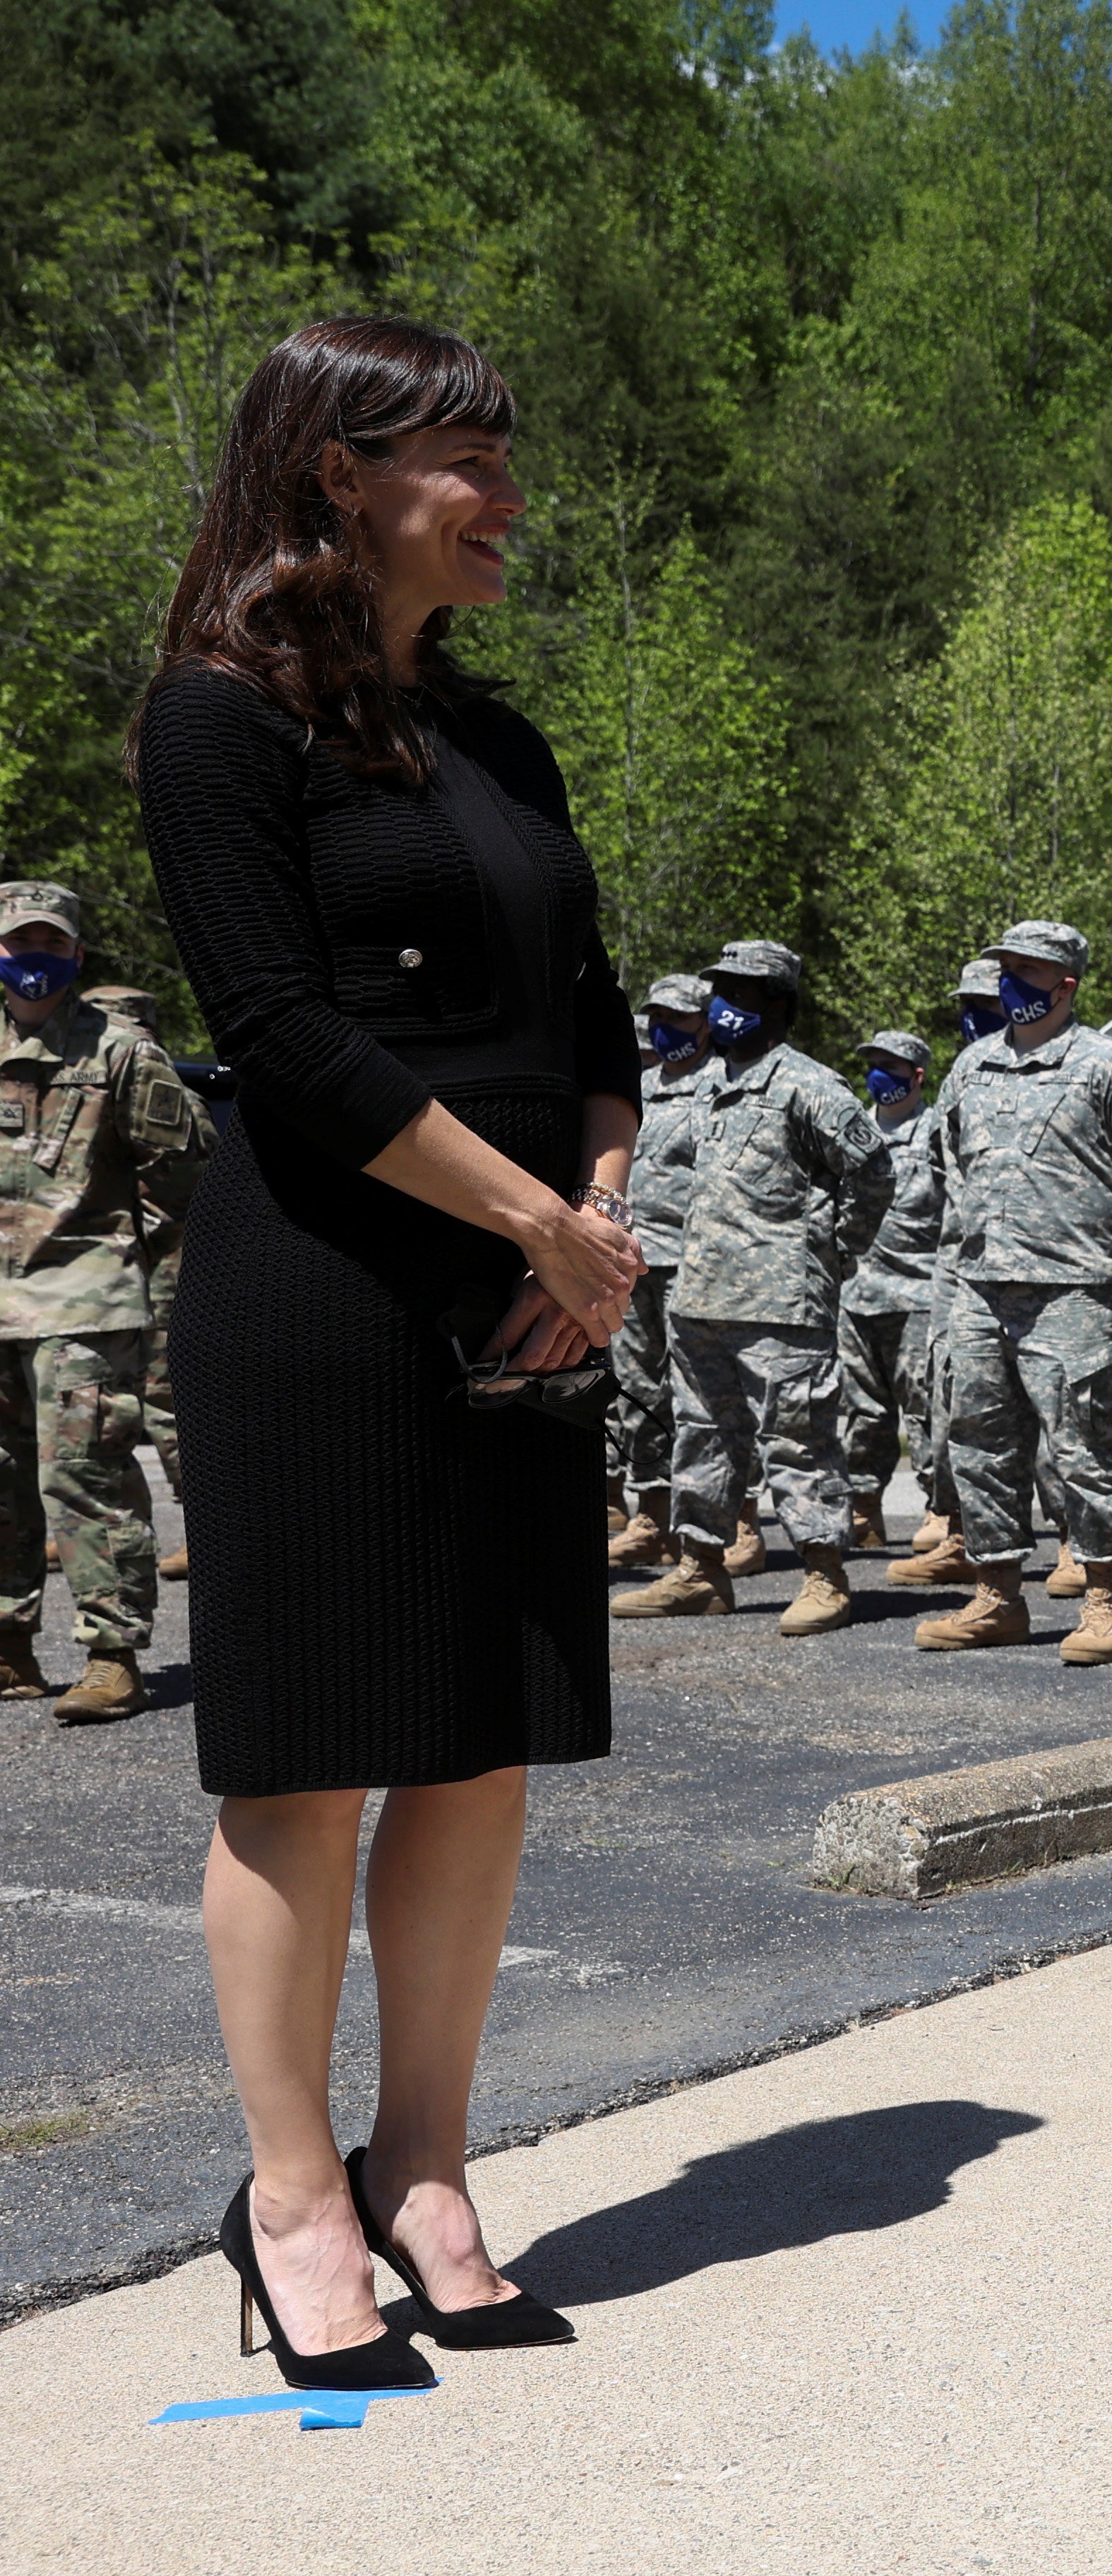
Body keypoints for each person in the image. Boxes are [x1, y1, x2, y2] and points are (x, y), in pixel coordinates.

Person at [134, 314, 644, 2387]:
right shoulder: (216, 720)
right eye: (472, 458)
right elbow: (283, 1035)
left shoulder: (503, 743)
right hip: (327, 1285)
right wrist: (539, 1219)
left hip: (534, 1290)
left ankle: (428, 2161)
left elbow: (595, 1013)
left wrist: (597, 1215)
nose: (510, 494)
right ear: (341, 473)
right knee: (313, 1758)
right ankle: (291, 2199)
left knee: (480, 1743)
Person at [914, 919, 1112, 1662]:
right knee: (978, 1443)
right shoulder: (970, 1068)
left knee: (1085, 1449)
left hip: (1075, 1290)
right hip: (980, 1288)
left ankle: (1104, 1601)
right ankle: (997, 1596)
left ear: (1066, 985)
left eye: (1029, 973)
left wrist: (1102, 1238)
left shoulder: (1111, 1069)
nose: (1011, 985)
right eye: (1006, 969)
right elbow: (950, 1164)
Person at [611, 939, 891, 1634]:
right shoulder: (704, 1085)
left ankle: (825, 1577)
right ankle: (700, 1571)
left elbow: (871, 1168)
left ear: (778, 1005)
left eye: (743, 994)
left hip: (783, 1304)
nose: (726, 1007)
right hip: (701, 1297)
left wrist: (835, 1245)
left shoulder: (807, 1084)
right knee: (702, 1438)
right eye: (721, 993)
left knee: (798, 1441)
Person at [0, 893, 210, 1721]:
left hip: (85, 1301)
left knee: (84, 1479)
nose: (33, 954)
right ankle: (10, 1648)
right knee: (3, 1480)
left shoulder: (120, 1052)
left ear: (77, 954)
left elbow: (185, 1167)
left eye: (50, 941)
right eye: (18, 941)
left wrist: (126, 1249)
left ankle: (111, 1653)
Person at [84, 984, 208, 1592]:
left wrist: (133, 1235)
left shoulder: (169, 1094)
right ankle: (77, 1530)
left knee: (166, 1402)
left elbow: (181, 1187)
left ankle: (208, 1528)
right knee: (91, 1407)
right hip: (106, 1276)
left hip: (165, 1272)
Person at [892, 955, 1010, 1580]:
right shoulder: (961, 1076)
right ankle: (964, 1534)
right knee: (958, 1408)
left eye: (985, 1008)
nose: (972, 1020)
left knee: (1060, 1421)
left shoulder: (1080, 1067)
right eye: (965, 1008)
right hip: (959, 1269)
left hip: (1040, 1270)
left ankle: (1075, 1543)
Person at [604, 971, 712, 1570]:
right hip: (637, 1264)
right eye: (659, 1016)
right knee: (639, 1393)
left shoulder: (718, 1088)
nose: (668, 1028)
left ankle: (723, 1526)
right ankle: (651, 1515)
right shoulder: (639, 1088)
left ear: (706, 1023)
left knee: (700, 1398)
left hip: (697, 1263)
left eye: (681, 1017)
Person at [837, 1028, 942, 1550]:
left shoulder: (937, 1131)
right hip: (856, 1295)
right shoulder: (852, 1131)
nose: (880, 1075)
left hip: (920, 1294)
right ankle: (863, 1508)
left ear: (917, 1076)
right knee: (862, 1413)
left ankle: (940, 1511)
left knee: (927, 1411)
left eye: (892, 1066)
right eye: (873, 1063)